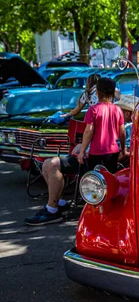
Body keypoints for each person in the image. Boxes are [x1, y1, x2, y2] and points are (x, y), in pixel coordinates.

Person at [25, 78, 125, 226]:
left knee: (50, 164)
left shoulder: (93, 110)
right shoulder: (118, 110)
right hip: (112, 154)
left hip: (94, 156)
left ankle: (53, 210)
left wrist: (82, 151)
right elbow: (121, 132)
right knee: (49, 164)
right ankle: (59, 203)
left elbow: (88, 132)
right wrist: (124, 148)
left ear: (97, 92)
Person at [114, 94, 135, 168]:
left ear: (127, 114)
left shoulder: (127, 127)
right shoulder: (133, 126)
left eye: (119, 112)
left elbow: (126, 150)